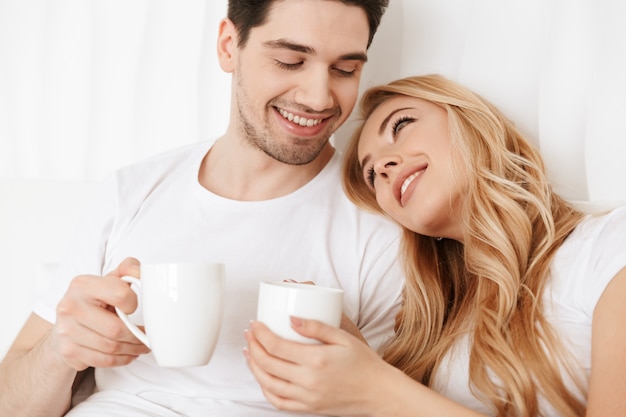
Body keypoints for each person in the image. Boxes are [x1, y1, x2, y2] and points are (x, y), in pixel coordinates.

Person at [0, 1, 405, 416]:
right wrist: (57, 354)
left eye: (345, 70)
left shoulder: (382, 226)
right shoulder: (130, 192)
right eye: (289, 61)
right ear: (229, 46)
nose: (319, 98)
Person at [244, 74, 626, 416]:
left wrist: (376, 390)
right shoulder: (431, 333)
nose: (385, 167)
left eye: (401, 125)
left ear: (471, 122)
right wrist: (354, 369)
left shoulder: (608, 247)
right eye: (372, 173)